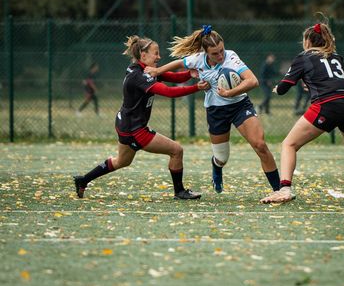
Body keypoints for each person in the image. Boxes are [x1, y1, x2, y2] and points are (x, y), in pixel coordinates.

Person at [261, 20, 344, 205]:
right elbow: (341, 82)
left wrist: (276, 89)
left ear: (307, 42)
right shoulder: (336, 56)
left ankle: (285, 189)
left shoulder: (304, 57)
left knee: (289, 144)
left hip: (327, 105)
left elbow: (283, 88)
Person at [144, 25, 280, 194]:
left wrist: (230, 93)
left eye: (221, 50)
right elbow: (179, 62)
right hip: (216, 111)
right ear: (205, 52)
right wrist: (157, 70)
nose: (220, 55)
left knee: (260, 145)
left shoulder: (231, 57)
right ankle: (216, 167)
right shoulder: (198, 59)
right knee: (222, 158)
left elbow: (252, 81)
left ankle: (278, 189)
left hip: (239, 106)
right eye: (215, 53)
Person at [73, 36, 210, 200]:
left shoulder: (145, 70)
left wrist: (190, 73)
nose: (159, 57)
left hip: (125, 124)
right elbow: (169, 92)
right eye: (156, 53)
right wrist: (197, 87)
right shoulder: (139, 76)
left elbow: (173, 77)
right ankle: (179, 192)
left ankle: (83, 180)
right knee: (176, 150)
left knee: (121, 162)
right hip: (135, 130)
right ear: (143, 56)